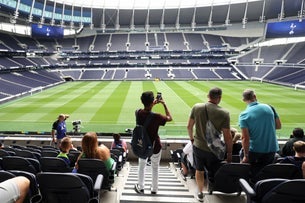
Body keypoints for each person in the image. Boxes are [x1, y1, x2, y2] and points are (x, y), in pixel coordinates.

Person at [187, 87, 232, 202]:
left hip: (198, 146)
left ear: (208, 96)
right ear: (220, 98)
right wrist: (230, 153)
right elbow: (227, 136)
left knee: (199, 170)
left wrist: (192, 139)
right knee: (213, 170)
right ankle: (212, 189)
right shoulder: (224, 113)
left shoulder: (197, 107)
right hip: (215, 149)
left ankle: (201, 192)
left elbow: (189, 126)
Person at [134, 91, 172, 195]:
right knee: (155, 167)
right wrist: (164, 104)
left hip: (142, 145)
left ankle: (141, 187)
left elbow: (145, 112)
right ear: (152, 102)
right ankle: (154, 189)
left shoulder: (137, 112)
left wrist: (151, 104)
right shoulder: (157, 116)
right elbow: (169, 118)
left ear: (142, 101)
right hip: (155, 146)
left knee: (141, 165)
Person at [239, 89, 281, 177]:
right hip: (271, 149)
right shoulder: (269, 107)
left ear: (243, 100)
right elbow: (278, 126)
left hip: (255, 150)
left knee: (248, 173)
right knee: (266, 174)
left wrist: (246, 156)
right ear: (255, 96)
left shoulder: (244, 115)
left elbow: (245, 138)